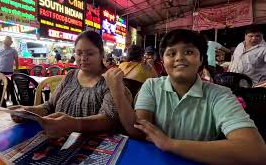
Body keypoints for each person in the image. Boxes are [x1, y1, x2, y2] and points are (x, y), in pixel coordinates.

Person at [103, 29, 266, 164]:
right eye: (171, 53)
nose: (179, 57)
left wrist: (171, 144)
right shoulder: (152, 86)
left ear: (201, 59)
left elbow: (255, 151)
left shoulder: (220, 95)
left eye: (188, 52)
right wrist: (117, 92)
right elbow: (138, 130)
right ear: (163, 62)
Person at [10, 31, 124, 138]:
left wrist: (74, 124)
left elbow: (109, 120)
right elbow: (49, 106)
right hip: (58, 140)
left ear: (101, 54)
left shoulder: (110, 80)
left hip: (91, 147)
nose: (83, 58)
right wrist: (27, 111)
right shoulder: (70, 76)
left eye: (90, 53)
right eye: (79, 53)